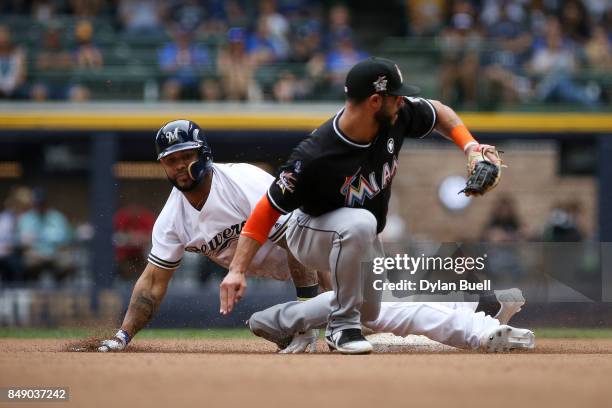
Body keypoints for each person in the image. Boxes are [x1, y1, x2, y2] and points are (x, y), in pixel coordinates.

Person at [92, 118, 532, 354]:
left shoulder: (241, 180)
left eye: (185, 156)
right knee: (376, 312)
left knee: (373, 314)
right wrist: (123, 335)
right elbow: (151, 284)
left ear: (204, 154)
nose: (177, 166)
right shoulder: (172, 219)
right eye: (169, 160)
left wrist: (306, 311)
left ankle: (480, 320)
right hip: (305, 260)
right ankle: (483, 309)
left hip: (319, 240)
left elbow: (291, 240)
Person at [221, 56, 534, 354]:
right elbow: (268, 209)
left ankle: (276, 320)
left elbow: (439, 112)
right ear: (374, 101)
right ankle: (342, 329)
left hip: (360, 235)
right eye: (396, 96)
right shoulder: (316, 154)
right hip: (307, 232)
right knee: (360, 224)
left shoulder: (394, 117)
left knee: (369, 308)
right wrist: (237, 270)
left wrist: (470, 146)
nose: (402, 102)